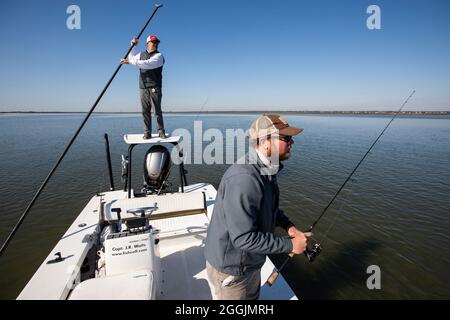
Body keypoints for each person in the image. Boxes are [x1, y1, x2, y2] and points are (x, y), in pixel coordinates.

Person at [204, 114, 312, 300]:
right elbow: (243, 238)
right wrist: (290, 244)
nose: (292, 142)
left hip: (250, 263)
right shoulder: (244, 179)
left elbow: (268, 208)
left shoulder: (267, 168)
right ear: (265, 142)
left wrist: (289, 226)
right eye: (286, 138)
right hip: (232, 271)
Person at [120, 35, 166, 139]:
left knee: (156, 111)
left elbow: (146, 64)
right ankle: (147, 132)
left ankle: (161, 132)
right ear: (147, 44)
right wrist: (133, 46)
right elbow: (132, 58)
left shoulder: (159, 56)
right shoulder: (141, 54)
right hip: (143, 87)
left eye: (157, 42)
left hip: (155, 86)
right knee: (145, 111)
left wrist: (129, 62)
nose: (155, 44)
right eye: (153, 42)